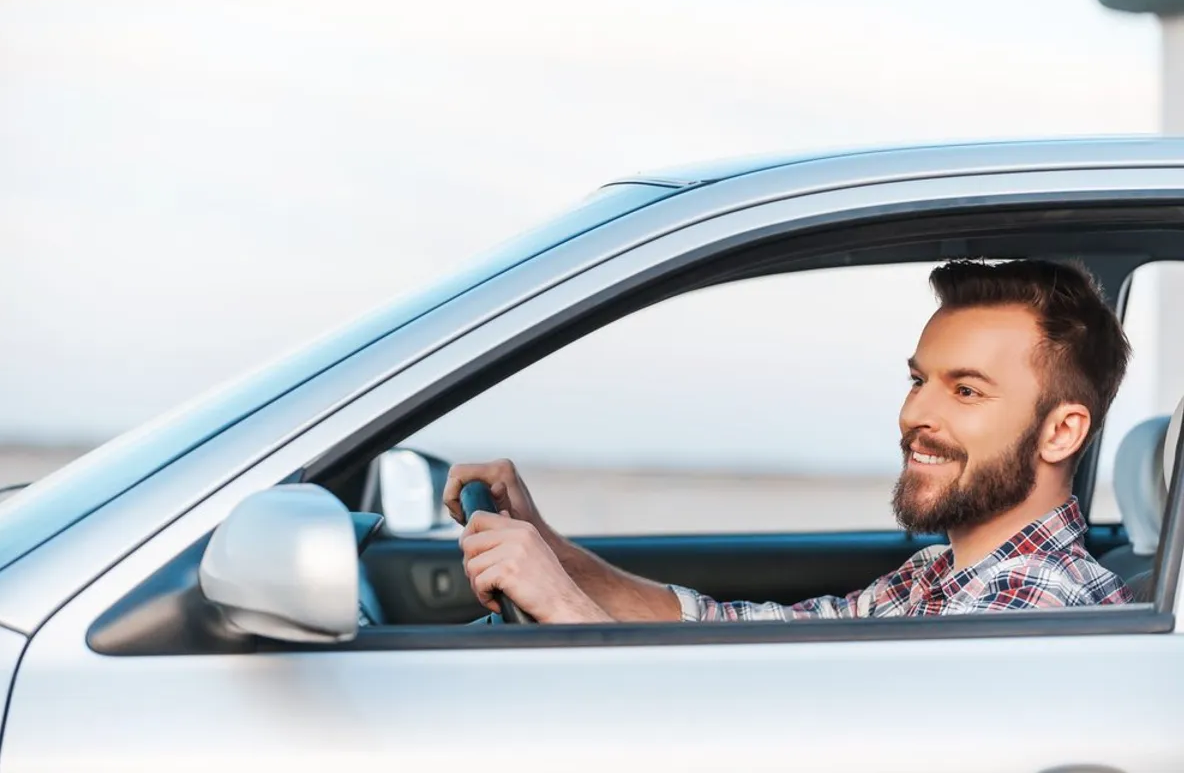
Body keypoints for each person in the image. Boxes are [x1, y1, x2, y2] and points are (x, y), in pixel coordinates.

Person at [443, 258, 1135, 623]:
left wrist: (561, 608)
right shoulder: (940, 577)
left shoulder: (1029, 602)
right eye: (918, 380)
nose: (914, 414)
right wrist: (555, 553)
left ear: (1061, 430)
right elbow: (740, 630)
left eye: (966, 391)